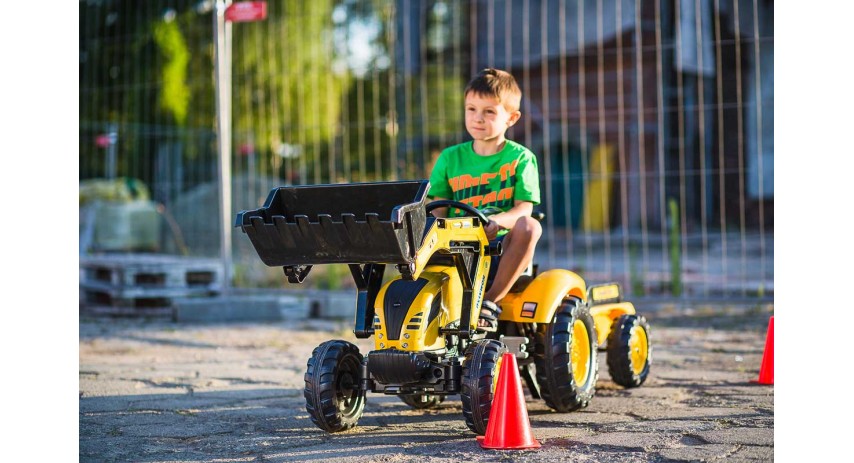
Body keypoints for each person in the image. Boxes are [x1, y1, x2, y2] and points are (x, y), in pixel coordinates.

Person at [427, 68, 542, 332]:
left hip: (499, 245)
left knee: (531, 226)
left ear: (511, 118)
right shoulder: (449, 158)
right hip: (458, 245)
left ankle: (489, 302)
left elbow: (524, 209)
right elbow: (439, 210)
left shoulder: (521, 158)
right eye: (471, 109)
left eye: (489, 112)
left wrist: (498, 221)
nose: (478, 118)